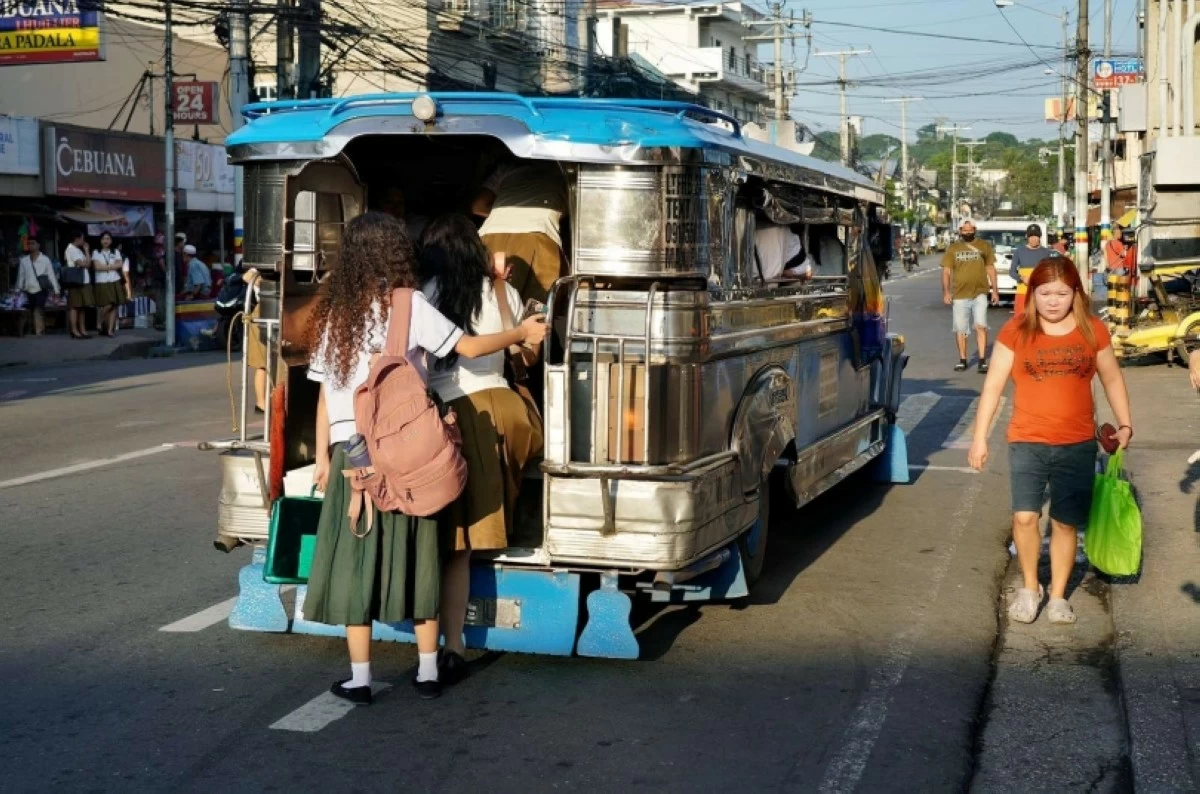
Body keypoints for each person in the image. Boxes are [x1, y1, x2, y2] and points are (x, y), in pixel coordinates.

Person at [304, 211, 548, 703]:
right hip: (405, 454)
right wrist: (521, 335)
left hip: (351, 457)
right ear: (396, 253)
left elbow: (325, 394)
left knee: (357, 564)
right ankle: (429, 670)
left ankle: (359, 678)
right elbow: (471, 345)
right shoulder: (407, 304)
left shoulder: (334, 312)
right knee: (420, 559)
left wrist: (325, 458)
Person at [417, 214, 545, 685]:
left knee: (449, 546)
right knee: (466, 543)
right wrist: (502, 290)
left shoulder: (423, 294)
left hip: (443, 413)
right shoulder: (500, 292)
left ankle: (446, 645)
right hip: (502, 408)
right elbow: (523, 358)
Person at [969, 257, 1132, 625]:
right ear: (1033, 295)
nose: (1053, 301)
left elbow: (1112, 379)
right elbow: (993, 387)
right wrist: (979, 439)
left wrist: (1125, 425)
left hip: (1077, 443)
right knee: (1025, 517)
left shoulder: (1092, 330)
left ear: (1075, 293)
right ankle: (1030, 586)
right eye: (1045, 293)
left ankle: (1057, 595)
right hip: (1027, 441)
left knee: (1064, 523)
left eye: (1061, 293)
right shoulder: (1016, 331)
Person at [473, 160, 569, 303]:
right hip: (538, 234)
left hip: (490, 234)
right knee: (534, 306)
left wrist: (506, 215)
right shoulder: (566, 171)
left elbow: (478, 206)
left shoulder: (506, 168)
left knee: (484, 300)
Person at [942, 218, 1000, 373]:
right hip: (960, 295)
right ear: (960, 231)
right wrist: (947, 292)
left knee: (981, 326)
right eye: (964, 230)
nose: (967, 232)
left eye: (970, 230)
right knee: (961, 329)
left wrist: (995, 290)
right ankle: (962, 360)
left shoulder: (984, 246)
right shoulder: (953, 248)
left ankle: (982, 361)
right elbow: (946, 271)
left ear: (975, 229)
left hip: (980, 293)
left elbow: (990, 268)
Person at [1010, 224, 1057, 317]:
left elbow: (1051, 272)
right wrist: (1022, 278)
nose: (1034, 239)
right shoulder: (1019, 251)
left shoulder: (1046, 252)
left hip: (1041, 293)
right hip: (1023, 292)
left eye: (1036, 236)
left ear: (1039, 237)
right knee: (1020, 319)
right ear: (1027, 237)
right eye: (1031, 237)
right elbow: (1012, 272)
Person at [16, 238, 60, 336]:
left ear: (38, 245)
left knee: (38, 309)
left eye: (33, 243)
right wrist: (18, 289)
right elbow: (21, 275)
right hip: (28, 288)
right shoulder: (24, 260)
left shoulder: (45, 259)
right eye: (29, 244)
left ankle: (38, 331)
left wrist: (56, 290)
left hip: (41, 288)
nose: (31, 245)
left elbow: (51, 275)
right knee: (31, 310)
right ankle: (36, 329)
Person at [91, 233, 125, 337]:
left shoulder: (115, 251)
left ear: (111, 241)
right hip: (102, 281)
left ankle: (110, 330)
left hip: (114, 280)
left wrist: (105, 266)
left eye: (108, 239)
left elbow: (120, 264)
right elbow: (97, 267)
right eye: (103, 239)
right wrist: (112, 266)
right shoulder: (96, 252)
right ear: (100, 241)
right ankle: (100, 322)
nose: (105, 241)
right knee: (107, 304)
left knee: (114, 306)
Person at [64, 230, 93, 339]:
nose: (83, 240)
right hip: (76, 281)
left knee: (81, 307)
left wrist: (86, 251)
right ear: (77, 239)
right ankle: (74, 330)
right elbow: (84, 264)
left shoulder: (77, 250)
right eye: (82, 238)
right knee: (75, 307)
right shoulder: (72, 249)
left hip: (83, 281)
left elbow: (88, 263)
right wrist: (86, 251)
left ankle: (82, 330)